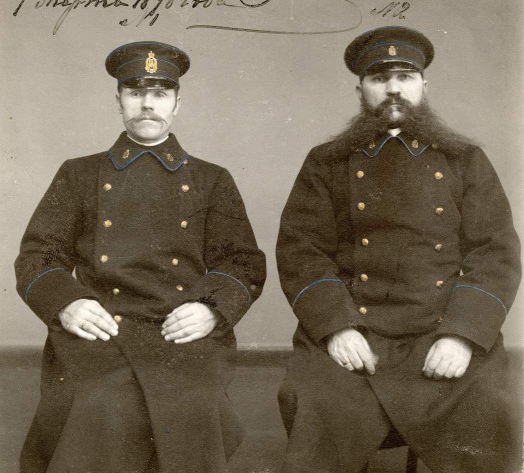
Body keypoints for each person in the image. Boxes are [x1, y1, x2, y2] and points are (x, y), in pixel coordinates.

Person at [276, 26, 521, 472]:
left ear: (424, 86)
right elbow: (301, 251)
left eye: (405, 77)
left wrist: (462, 335)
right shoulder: (326, 162)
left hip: (440, 326)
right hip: (357, 327)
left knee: (489, 404)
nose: (393, 88)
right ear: (361, 90)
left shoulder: (465, 160)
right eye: (379, 78)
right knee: (314, 399)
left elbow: (495, 252)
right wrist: (336, 328)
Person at [15, 41, 266, 473]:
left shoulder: (211, 179)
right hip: (100, 327)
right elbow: (39, 255)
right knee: (100, 401)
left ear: (177, 103)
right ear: (118, 101)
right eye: (135, 92)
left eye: (160, 93)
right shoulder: (78, 173)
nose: (147, 103)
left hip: (179, 329)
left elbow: (241, 262)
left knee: (192, 402)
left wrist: (210, 309)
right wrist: (67, 303)